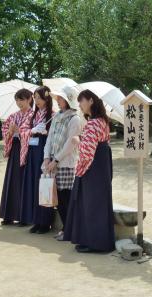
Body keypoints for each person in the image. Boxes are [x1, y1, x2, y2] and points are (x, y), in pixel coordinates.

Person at [63, 89, 115, 253]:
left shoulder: (93, 123)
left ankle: (94, 243)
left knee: (91, 203)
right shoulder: (103, 121)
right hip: (102, 164)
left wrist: (78, 139)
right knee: (98, 202)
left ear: (91, 100)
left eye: (81, 101)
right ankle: (99, 241)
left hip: (92, 166)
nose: (80, 105)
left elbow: (86, 152)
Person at [43, 85, 82, 241]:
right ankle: (66, 228)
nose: (58, 101)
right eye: (57, 98)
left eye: (60, 98)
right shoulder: (57, 117)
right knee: (58, 198)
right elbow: (49, 138)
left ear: (68, 100)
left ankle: (69, 229)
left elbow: (70, 143)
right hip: (52, 161)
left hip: (65, 163)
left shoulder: (75, 119)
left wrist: (56, 160)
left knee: (66, 197)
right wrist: (47, 158)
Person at [20, 86, 54, 233]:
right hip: (32, 152)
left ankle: (45, 222)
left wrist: (46, 132)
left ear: (47, 98)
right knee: (33, 185)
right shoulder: (33, 115)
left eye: (40, 97)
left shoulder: (52, 115)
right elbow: (23, 131)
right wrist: (32, 130)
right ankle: (36, 220)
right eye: (35, 98)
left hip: (44, 152)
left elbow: (55, 136)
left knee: (44, 185)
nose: (37, 100)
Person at [0, 89, 34, 226]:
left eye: (22, 99)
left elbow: (33, 132)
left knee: (24, 182)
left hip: (27, 150)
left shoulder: (33, 115)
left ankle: (23, 216)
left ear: (29, 99)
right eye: (17, 100)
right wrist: (10, 132)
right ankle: (9, 214)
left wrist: (19, 131)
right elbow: (5, 131)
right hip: (15, 149)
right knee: (12, 181)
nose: (19, 103)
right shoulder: (13, 116)